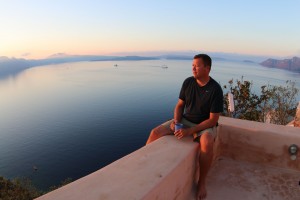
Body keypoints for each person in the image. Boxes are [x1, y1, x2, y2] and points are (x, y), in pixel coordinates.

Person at [146, 54, 223, 200]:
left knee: (206, 142)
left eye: (197, 65)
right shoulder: (188, 82)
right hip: (185, 120)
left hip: (204, 125)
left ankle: (201, 182)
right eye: (192, 65)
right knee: (155, 132)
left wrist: (190, 131)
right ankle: (143, 166)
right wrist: (176, 121)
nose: (193, 68)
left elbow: (213, 120)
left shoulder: (215, 89)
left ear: (207, 68)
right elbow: (180, 105)